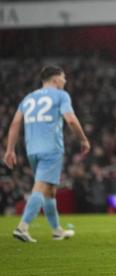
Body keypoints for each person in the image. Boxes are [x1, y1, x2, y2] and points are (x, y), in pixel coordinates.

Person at [3, 65, 90, 243]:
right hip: (51, 149)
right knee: (40, 187)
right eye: (63, 78)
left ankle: (57, 230)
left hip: (32, 150)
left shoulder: (28, 98)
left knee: (49, 191)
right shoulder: (61, 95)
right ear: (55, 79)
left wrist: (10, 149)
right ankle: (22, 227)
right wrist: (83, 139)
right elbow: (71, 119)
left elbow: (14, 124)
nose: (65, 81)